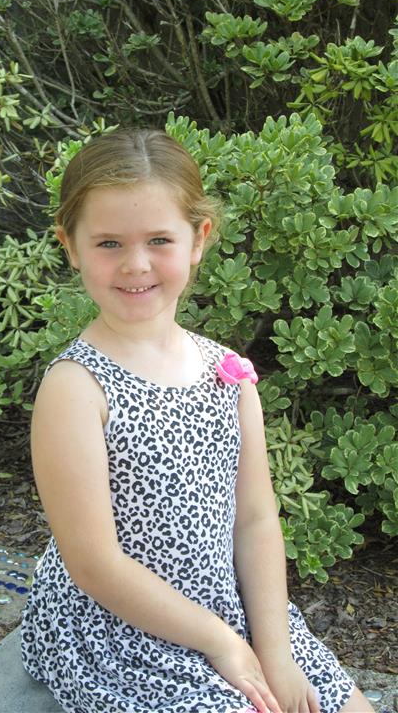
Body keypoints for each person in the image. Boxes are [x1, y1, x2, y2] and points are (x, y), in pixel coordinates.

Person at [20, 129, 373, 713]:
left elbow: (255, 519)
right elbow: (95, 565)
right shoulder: (76, 389)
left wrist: (275, 652)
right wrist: (222, 643)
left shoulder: (226, 373)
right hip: (119, 628)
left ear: (198, 239)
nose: (135, 264)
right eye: (108, 243)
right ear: (71, 245)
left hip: (226, 607)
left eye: (159, 239)